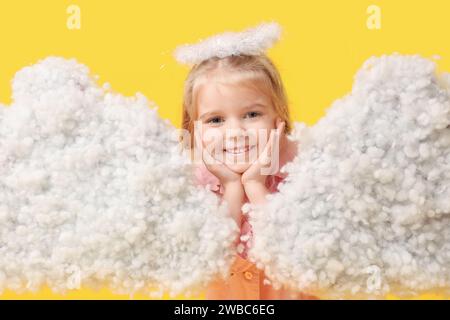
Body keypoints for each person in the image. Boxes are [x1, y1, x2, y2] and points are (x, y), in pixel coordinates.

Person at [176, 22, 319, 300]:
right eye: (215, 120)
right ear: (193, 129)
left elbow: (292, 250)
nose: (235, 133)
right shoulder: (191, 185)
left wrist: (255, 184)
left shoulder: (302, 172)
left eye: (252, 115)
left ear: (279, 117)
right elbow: (210, 256)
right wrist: (231, 187)